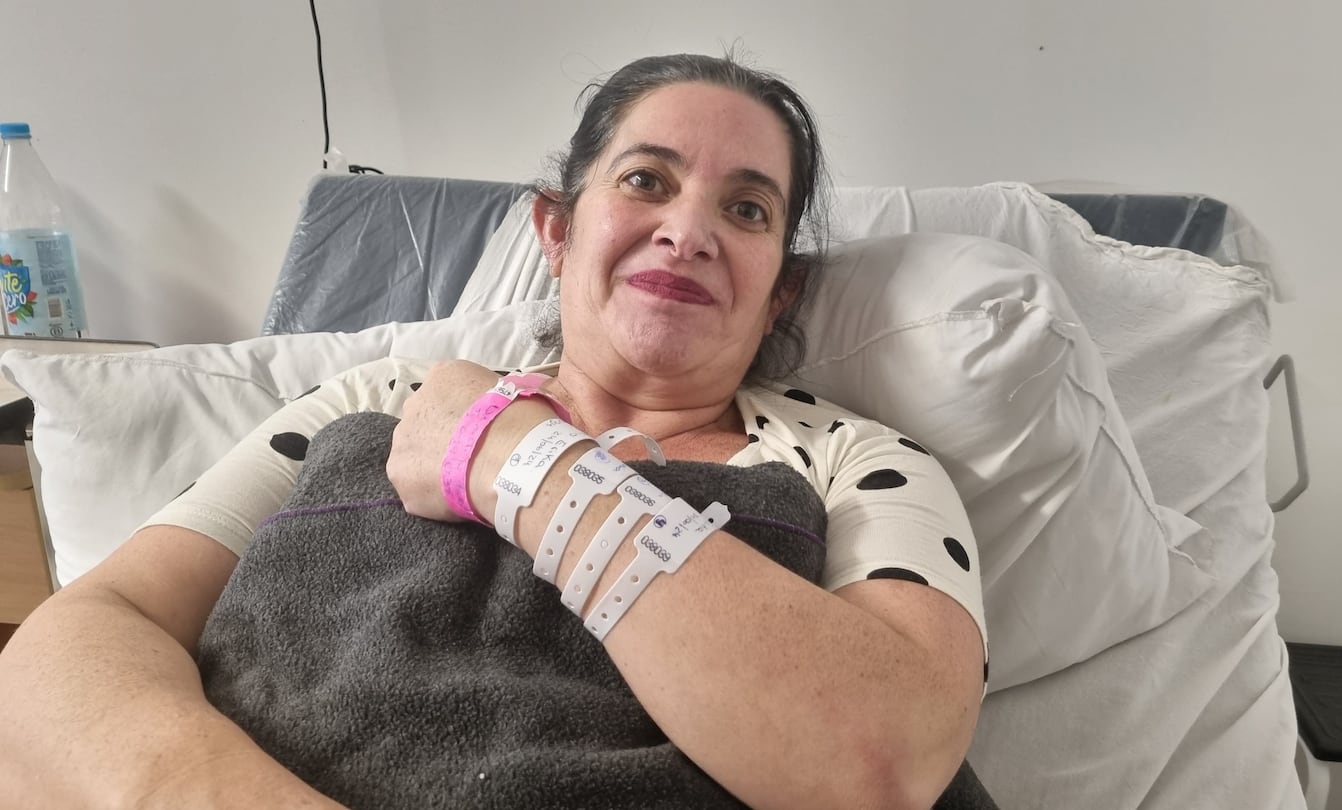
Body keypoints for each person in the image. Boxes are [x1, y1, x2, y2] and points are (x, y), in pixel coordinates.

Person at [0, 54, 987, 809]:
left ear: (783, 293)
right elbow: (78, 642)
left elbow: (890, 756)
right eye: (647, 181)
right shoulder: (374, 397)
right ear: (556, 230)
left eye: (746, 208)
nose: (689, 232)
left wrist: (513, 458)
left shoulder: (857, 463)